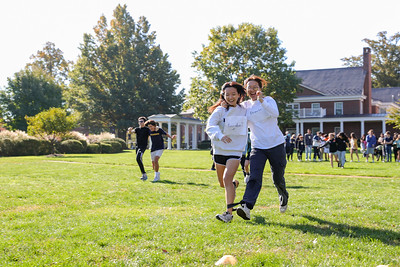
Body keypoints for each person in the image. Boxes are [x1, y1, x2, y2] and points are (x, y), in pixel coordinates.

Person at [236, 75, 289, 221]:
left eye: (255, 87)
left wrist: (261, 100)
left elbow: (275, 113)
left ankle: (283, 195)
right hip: (258, 147)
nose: (252, 90)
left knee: (278, 177)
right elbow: (239, 123)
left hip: (276, 144)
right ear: (246, 90)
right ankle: (246, 206)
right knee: (254, 177)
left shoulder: (269, 101)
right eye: (249, 88)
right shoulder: (245, 106)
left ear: (260, 89)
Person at [206, 81, 247, 223]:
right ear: (223, 95)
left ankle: (228, 214)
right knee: (223, 183)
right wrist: (220, 135)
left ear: (239, 95)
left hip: (235, 150)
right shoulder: (220, 111)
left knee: (226, 179)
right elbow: (210, 126)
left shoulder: (244, 109)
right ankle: (234, 185)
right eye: (227, 94)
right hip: (219, 150)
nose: (230, 97)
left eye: (233, 94)